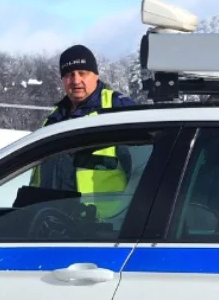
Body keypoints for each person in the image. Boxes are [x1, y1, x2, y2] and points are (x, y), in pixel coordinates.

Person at [30, 45, 138, 224]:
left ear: (96, 75)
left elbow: (143, 171)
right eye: (69, 75)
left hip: (106, 228)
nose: (76, 80)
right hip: (56, 224)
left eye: (83, 73)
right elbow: (37, 178)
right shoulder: (54, 119)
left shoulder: (117, 109)